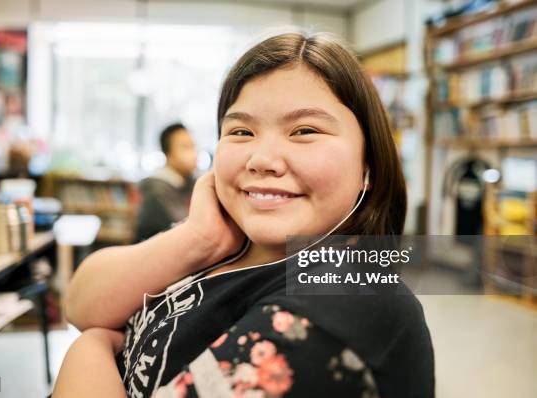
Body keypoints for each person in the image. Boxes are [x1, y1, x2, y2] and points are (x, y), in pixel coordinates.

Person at [53, 32, 434, 398]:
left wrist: (91, 346)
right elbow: (81, 303)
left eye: (303, 130)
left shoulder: (350, 304)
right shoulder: (222, 242)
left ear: (368, 163)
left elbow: (89, 324)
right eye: (241, 131)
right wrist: (198, 239)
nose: (261, 159)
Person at [136, 123, 197, 241]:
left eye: (193, 146)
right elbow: (187, 230)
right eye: (185, 147)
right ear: (168, 154)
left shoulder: (188, 182)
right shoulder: (156, 190)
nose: (194, 154)